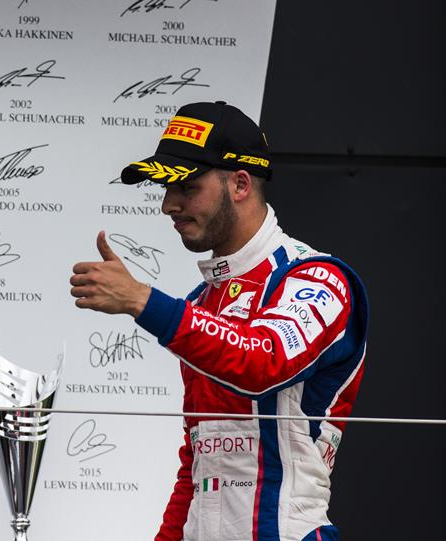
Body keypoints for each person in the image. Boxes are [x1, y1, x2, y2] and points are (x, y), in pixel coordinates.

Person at [70, 101, 369, 541]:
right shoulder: (202, 303)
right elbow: (199, 460)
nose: (168, 205)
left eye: (185, 187)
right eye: (164, 189)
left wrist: (142, 300)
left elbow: (262, 362)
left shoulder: (318, 278)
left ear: (241, 184)